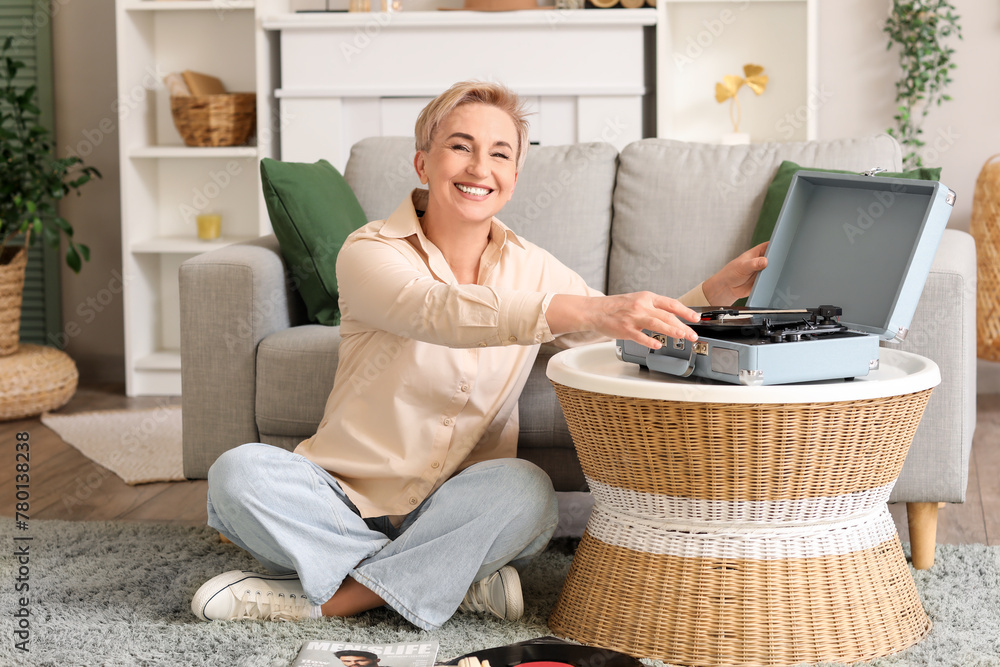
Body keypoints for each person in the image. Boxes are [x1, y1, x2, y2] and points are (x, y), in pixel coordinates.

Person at [190, 80, 768, 630]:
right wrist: (585, 309)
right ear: (423, 163)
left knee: (526, 492)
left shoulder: (535, 266)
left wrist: (711, 296)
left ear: (515, 175)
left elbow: (619, 337)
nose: (478, 168)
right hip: (341, 494)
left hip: (456, 505)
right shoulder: (369, 250)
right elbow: (434, 310)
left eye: (499, 154)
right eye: (460, 147)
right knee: (238, 475)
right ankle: (449, 579)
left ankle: (331, 599)